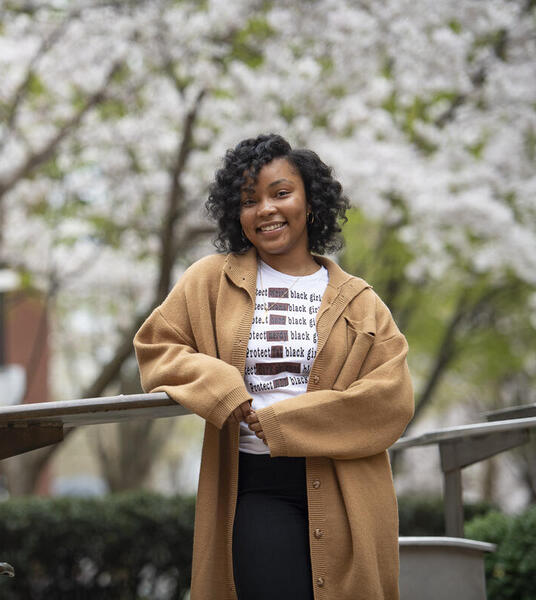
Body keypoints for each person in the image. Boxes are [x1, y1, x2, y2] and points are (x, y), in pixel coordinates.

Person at [133, 133, 414, 600]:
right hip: (254, 483)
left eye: (280, 193)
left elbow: (391, 400)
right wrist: (223, 388)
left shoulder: (362, 302)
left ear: (309, 200)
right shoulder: (210, 281)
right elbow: (157, 346)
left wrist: (289, 421)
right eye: (249, 200)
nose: (265, 208)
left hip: (350, 491)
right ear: (235, 213)